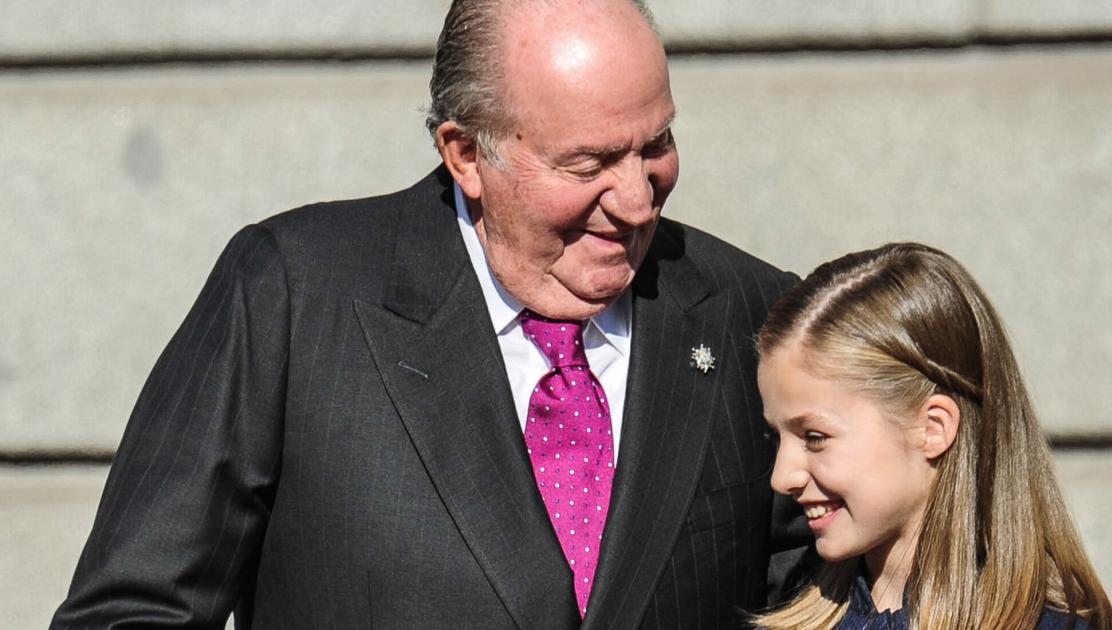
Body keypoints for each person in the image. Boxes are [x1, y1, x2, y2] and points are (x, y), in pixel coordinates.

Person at [51, 1, 804, 628]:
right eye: (589, 163)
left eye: (657, 145)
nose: (638, 199)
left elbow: (820, 598)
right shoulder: (296, 295)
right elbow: (133, 609)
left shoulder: (749, 311)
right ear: (466, 154)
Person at [753, 243, 1112, 629]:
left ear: (934, 428)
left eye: (814, 436)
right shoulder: (791, 613)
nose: (782, 477)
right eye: (776, 437)